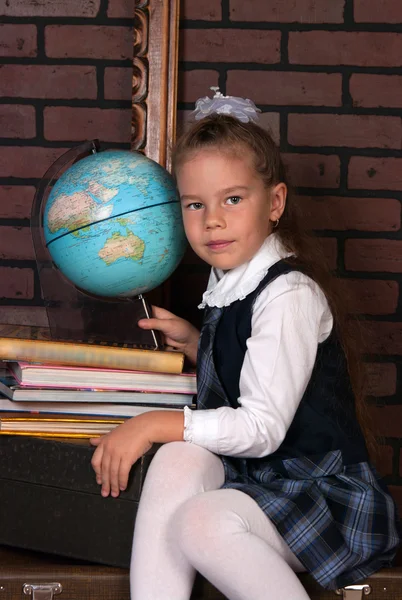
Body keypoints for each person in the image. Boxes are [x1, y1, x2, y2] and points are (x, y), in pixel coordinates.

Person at [90, 89, 400, 600]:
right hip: (264, 481)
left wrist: (150, 425)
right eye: (195, 204)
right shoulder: (233, 283)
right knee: (177, 459)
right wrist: (198, 344)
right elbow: (259, 366)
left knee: (201, 520)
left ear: (274, 202)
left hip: (322, 497)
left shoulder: (288, 294)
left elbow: (260, 427)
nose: (212, 219)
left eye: (232, 199)